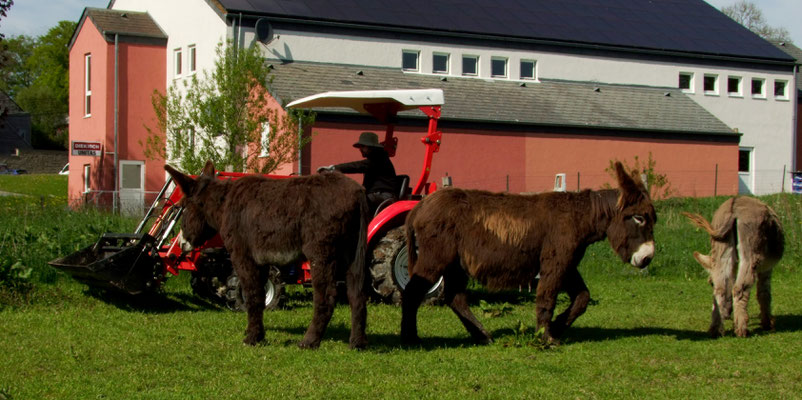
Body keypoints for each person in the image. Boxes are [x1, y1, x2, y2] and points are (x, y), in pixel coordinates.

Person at [317, 131, 397, 213]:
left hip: (383, 195)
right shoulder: (375, 159)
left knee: (356, 201)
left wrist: (334, 168)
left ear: (370, 147)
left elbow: (358, 166)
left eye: (363, 146)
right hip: (376, 194)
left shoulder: (379, 159)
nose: (360, 149)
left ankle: (362, 226)